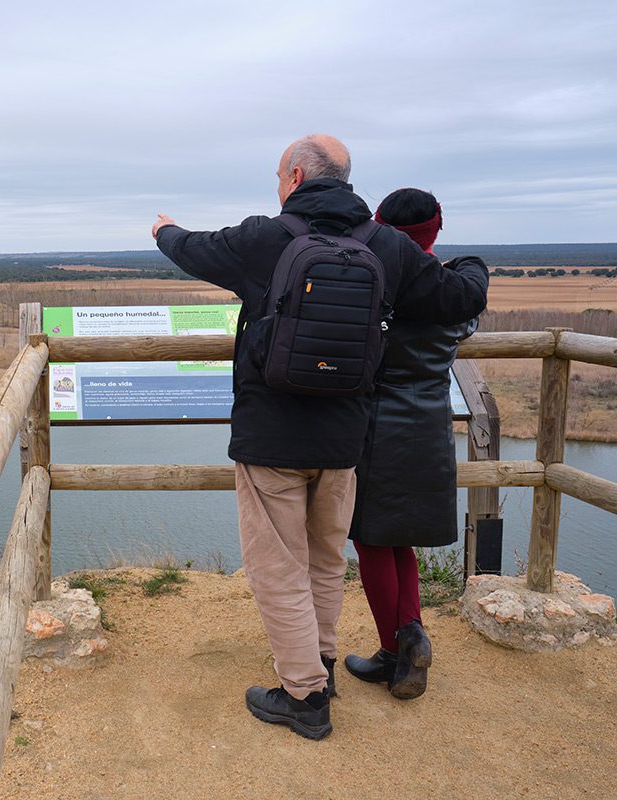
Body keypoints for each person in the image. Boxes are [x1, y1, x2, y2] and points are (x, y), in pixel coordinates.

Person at [151, 135, 488, 740]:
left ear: (297, 175)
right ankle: (322, 665)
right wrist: (473, 264)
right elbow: (459, 298)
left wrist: (164, 230)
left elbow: (192, 250)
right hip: (345, 438)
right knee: (327, 559)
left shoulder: (263, 238)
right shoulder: (385, 245)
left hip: (271, 437)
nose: (276, 185)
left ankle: (304, 698)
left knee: (277, 568)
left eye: (279, 176)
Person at [344, 188, 474, 700]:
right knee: (401, 538)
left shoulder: (374, 282)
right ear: (435, 230)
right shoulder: (454, 290)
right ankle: (408, 637)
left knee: (373, 538)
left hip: (376, 421)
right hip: (431, 418)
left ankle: (397, 647)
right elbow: (466, 324)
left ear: (378, 226)